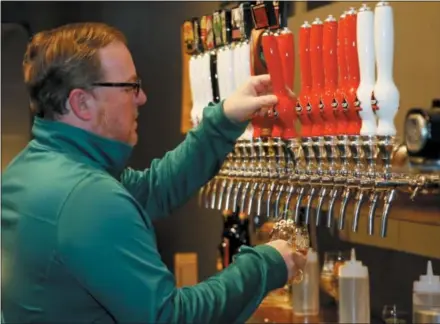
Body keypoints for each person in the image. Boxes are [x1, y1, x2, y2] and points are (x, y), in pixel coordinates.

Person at [1, 22, 306, 323]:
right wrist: (266, 266)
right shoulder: (87, 197)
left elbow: (153, 189)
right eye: (130, 87)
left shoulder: (31, 169)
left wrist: (223, 120)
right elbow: (170, 317)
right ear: (81, 103)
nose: (142, 98)